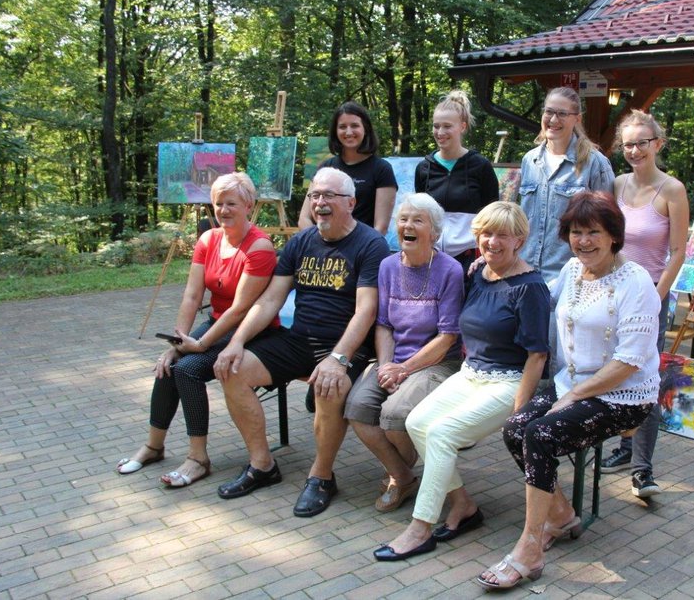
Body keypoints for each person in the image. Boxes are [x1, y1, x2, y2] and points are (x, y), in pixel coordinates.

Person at [477, 192, 660, 589]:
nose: (584, 241)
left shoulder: (637, 282)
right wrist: (497, 264)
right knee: (515, 427)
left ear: (614, 235)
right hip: (573, 385)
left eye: (594, 232)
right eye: (576, 232)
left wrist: (575, 396)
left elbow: (629, 361)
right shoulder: (573, 272)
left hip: (622, 396)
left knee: (539, 435)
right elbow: (541, 296)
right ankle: (560, 516)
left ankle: (529, 549)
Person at [374, 202, 549, 562]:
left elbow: (538, 355)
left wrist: (519, 410)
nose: (492, 241)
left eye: (502, 234)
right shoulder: (479, 273)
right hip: (472, 373)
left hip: (508, 382)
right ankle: (464, 505)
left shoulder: (530, 287)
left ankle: (420, 528)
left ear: (520, 240)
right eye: (486, 233)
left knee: (442, 433)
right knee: (417, 422)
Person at [212, 167, 390, 515]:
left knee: (329, 386)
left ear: (351, 203)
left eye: (328, 196)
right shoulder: (300, 242)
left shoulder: (370, 244)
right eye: (314, 196)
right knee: (233, 370)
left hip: (346, 345)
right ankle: (262, 465)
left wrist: (338, 358)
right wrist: (237, 341)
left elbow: (366, 311)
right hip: (299, 341)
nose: (320, 203)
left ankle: (321, 476)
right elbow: (269, 300)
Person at [116, 172, 275, 487]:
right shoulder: (208, 239)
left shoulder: (260, 246)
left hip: (249, 329)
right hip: (218, 322)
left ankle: (198, 459)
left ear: (249, 206)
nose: (223, 210)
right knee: (170, 363)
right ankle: (153, 445)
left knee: (186, 369)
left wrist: (200, 344)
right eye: (218, 203)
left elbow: (240, 308)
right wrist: (178, 341)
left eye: (231, 203)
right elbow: (192, 296)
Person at [345, 193, 464, 513]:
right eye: (403, 219)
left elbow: (447, 336)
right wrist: (386, 366)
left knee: (395, 415)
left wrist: (405, 369)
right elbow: (383, 325)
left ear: (435, 233)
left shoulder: (450, 270)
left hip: (438, 361)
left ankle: (406, 474)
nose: (407, 226)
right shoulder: (387, 266)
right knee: (356, 406)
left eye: (417, 220)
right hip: (393, 358)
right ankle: (403, 475)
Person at [597, 109, 689, 499]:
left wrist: (655, 298)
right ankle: (622, 446)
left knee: (645, 377)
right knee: (613, 372)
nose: (634, 150)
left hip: (651, 293)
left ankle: (643, 471)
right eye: (628, 144)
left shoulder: (672, 190)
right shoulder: (617, 185)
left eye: (642, 143)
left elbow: (679, 251)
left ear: (658, 145)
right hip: (614, 293)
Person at [519, 86, 615, 282]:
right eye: (549, 112)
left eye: (562, 113)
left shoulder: (595, 163)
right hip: (525, 272)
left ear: (577, 119)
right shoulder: (530, 160)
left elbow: (608, 227)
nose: (553, 120)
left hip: (571, 277)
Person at [415, 89, 499, 273]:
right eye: (436, 126)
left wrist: (486, 256)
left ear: (462, 126)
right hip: (431, 258)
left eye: (447, 126)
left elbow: (493, 216)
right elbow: (418, 215)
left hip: (470, 259)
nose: (440, 132)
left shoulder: (481, 166)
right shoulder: (424, 168)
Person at [298, 101, 397, 235]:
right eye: (342, 126)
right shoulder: (325, 167)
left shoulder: (382, 169)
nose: (348, 132)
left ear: (365, 129)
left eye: (355, 125)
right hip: (323, 247)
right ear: (335, 131)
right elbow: (304, 219)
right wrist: (319, 243)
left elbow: (380, 228)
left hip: (362, 249)